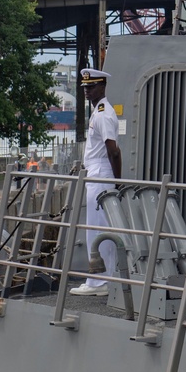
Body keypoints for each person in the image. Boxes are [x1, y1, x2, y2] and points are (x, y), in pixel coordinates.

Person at [69, 68, 123, 297]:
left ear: (102, 87)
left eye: (91, 87)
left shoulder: (102, 113)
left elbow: (114, 151)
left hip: (101, 174)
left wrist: (118, 182)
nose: (87, 92)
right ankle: (105, 278)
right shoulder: (100, 112)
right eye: (85, 88)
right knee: (101, 228)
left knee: (97, 228)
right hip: (99, 172)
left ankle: (98, 282)